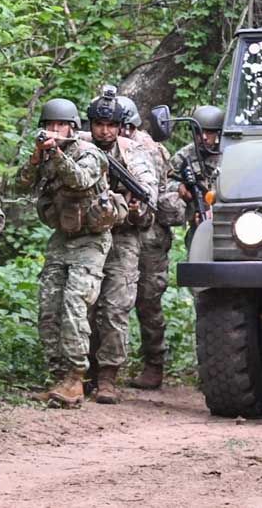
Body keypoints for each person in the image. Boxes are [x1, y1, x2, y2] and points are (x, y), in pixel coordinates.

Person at [15, 98, 113, 409]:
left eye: (60, 125)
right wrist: (36, 158)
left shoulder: (90, 153)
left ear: (72, 127)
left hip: (91, 239)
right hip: (62, 237)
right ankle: (59, 376)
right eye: (50, 124)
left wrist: (56, 154)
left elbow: (80, 180)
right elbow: (18, 186)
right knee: (49, 307)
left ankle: (75, 377)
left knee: (74, 305)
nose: (54, 129)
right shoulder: (44, 156)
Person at [84, 88, 158, 404]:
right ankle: (82, 370)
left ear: (120, 126)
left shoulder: (134, 154)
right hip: (86, 236)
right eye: (99, 124)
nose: (105, 131)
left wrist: (136, 208)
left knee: (116, 307)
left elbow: (148, 199)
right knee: (83, 305)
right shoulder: (80, 147)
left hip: (122, 238)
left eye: (111, 125)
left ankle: (107, 376)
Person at [117, 96, 178, 390]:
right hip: (120, 228)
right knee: (111, 298)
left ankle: (154, 363)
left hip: (150, 234)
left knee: (148, 298)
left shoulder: (149, 149)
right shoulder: (108, 144)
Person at [167, 104, 224, 247]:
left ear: (218, 133)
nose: (204, 137)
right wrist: (179, 188)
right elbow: (164, 182)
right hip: (197, 220)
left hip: (228, 219)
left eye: (209, 132)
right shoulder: (184, 155)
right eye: (199, 132)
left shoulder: (229, 154)